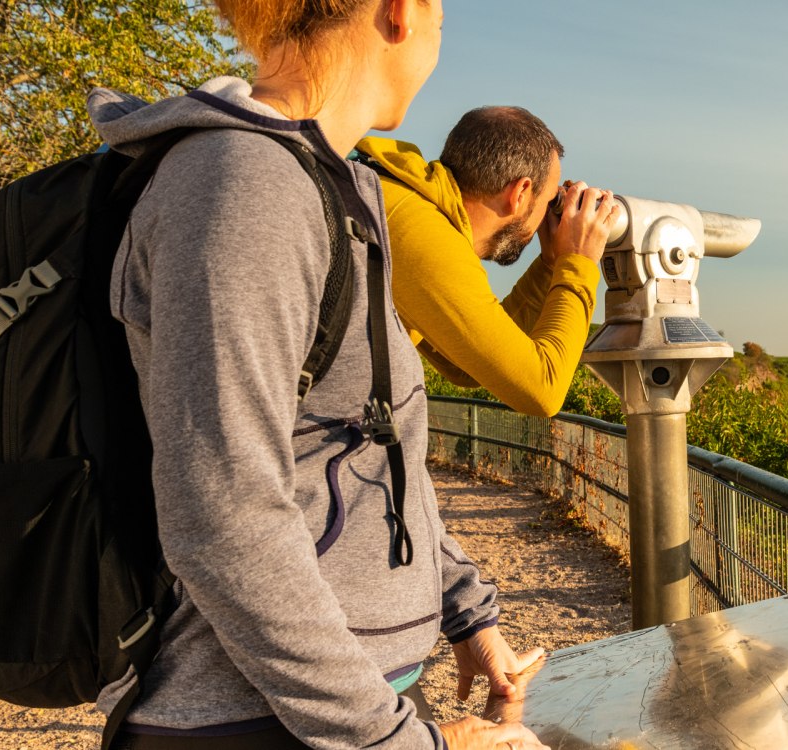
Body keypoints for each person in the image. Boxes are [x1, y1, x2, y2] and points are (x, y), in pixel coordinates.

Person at [85, 0, 546, 746]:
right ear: (400, 14)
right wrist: (402, 743)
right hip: (251, 718)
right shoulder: (244, 186)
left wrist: (465, 611)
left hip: (334, 707)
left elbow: (369, 444)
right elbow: (221, 518)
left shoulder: (337, 185)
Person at [354, 106, 619, 417]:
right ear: (520, 192)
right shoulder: (421, 235)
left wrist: (549, 265)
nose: (548, 214)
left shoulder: (402, 201)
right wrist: (578, 261)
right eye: (549, 200)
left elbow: (463, 366)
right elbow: (543, 389)